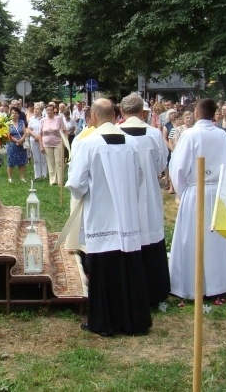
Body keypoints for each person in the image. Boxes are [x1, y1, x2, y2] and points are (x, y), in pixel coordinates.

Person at [66, 98, 151, 336]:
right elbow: (140, 176)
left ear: (93, 116)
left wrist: (84, 193)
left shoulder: (88, 143)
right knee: (129, 266)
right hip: (127, 216)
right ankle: (134, 321)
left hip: (101, 215)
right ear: (114, 116)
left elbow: (76, 182)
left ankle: (104, 321)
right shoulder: (131, 142)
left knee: (104, 268)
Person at [168, 98, 226, 299]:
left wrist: (182, 191)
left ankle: (190, 286)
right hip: (216, 190)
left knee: (193, 238)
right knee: (215, 239)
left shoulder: (190, 135)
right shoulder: (222, 135)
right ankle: (218, 284)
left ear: (197, 113)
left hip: (195, 190)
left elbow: (178, 167)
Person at [118, 93, 171, 305]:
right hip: (148, 191)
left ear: (121, 111)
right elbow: (161, 165)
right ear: (142, 112)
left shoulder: (115, 134)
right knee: (150, 231)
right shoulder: (154, 134)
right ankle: (154, 289)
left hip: (125, 194)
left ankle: (129, 289)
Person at [39, 102, 65, 186]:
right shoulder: (43, 120)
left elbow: (64, 130)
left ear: (54, 110)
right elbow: (40, 134)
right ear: (46, 111)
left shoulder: (59, 119)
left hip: (58, 143)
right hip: (47, 143)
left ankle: (60, 181)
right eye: (48, 110)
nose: (49, 111)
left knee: (59, 162)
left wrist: (65, 141)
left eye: (51, 110)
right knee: (50, 163)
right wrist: (41, 145)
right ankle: (53, 180)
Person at [6, 107, 28, 183]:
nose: (14, 114)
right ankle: (10, 178)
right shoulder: (8, 123)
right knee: (11, 162)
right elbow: (8, 134)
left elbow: (25, 132)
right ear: (10, 114)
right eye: (12, 113)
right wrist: (16, 140)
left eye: (16, 113)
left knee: (22, 162)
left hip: (21, 145)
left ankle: (22, 177)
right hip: (12, 145)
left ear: (18, 114)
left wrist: (21, 140)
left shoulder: (21, 122)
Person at [27, 103, 47, 181]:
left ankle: (44, 175)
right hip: (33, 139)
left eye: (37, 109)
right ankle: (37, 176)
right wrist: (35, 136)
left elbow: (45, 130)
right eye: (34, 108)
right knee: (36, 158)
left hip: (42, 140)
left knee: (43, 158)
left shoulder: (44, 119)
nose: (35, 110)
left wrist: (39, 137)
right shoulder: (31, 119)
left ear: (41, 110)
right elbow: (29, 129)